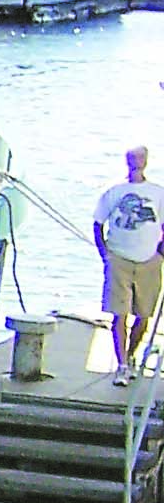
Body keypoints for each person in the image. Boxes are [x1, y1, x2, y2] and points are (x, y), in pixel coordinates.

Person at [94, 145, 162, 383]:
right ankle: (122, 364)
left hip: (149, 261)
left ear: (147, 161)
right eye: (133, 158)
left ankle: (131, 355)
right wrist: (105, 254)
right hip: (119, 258)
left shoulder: (158, 193)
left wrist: (160, 254)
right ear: (126, 161)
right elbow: (98, 223)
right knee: (119, 314)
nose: (136, 162)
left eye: (140, 158)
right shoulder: (115, 191)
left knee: (144, 316)